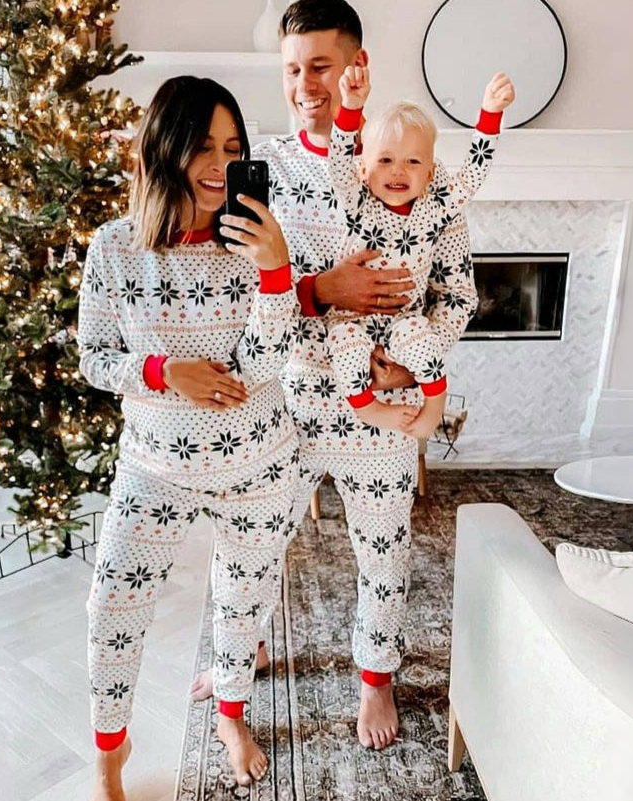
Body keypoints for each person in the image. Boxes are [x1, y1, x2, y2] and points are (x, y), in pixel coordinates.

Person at [192, 0, 480, 752]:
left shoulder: (413, 169)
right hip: (284, 401)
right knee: (249, 538)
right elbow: (237, 298)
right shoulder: (264, 171)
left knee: (384, 550)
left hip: (381, 408)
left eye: (320, 65)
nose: (305, 85)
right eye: (292, 69)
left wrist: (409, 363)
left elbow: (458, 295)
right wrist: (323, 291)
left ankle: (376, 677)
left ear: (357, 68)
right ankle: (244, 647)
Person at [78, 75, 300, 797]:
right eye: (203, 145)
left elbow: (265, 363)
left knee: (243, 600)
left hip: (258, 461)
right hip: (154, 465)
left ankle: (230, 716)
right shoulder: (114, 248)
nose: (218, 164)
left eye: (232, 148)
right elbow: (94, 358)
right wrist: (164, 371)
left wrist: (275, 271)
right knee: (113, 605)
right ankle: (109, 753)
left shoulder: (256, 244)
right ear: (164, 145)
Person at [325, 66, 514, 435]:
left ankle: (435, 405)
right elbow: (338, 161)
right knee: (344, 346)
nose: (398, 171)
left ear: (429, 173)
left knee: (422, 338)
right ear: (363, 170)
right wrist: (350, 107)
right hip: (351, 319)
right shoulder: (358, 203)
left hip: (403, 320)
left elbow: (472, 175)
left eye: (412, 161)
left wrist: (490, 115)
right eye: (385, 160)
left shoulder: (435, 209)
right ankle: (368, 408)